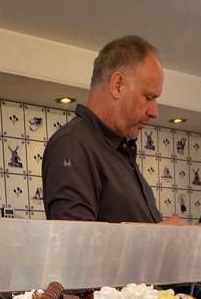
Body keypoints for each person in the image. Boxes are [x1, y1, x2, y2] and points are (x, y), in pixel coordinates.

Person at [43, 35, 181, 224]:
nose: (154, 111)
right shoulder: (72, 145)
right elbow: (74, 247)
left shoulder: (118, 149)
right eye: (148, 97)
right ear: (117, 85)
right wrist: (162, 236)